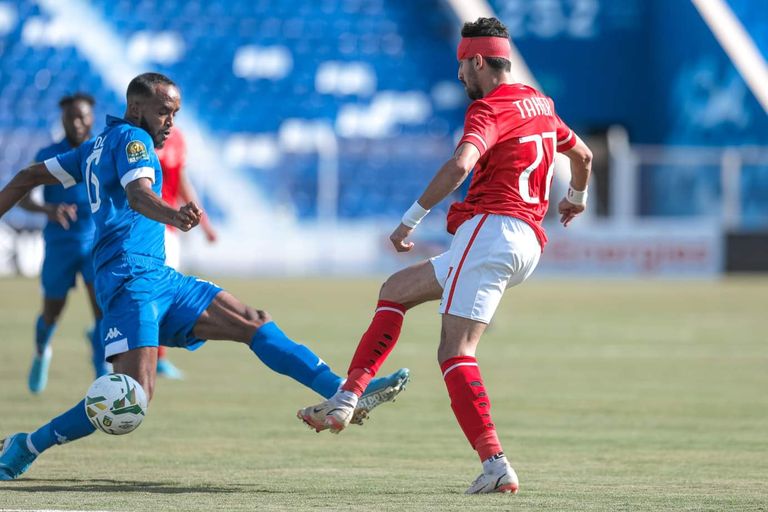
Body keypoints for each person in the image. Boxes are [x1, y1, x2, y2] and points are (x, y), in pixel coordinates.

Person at [0, 72, 409, 480]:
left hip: (158, 277)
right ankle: (28, 444)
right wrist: (174, 214)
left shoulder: (92, 147)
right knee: (131, 399)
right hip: (130, 283)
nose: (170, 122)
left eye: (175, 113)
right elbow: (139, 195)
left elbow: (27, 177)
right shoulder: (133, 140)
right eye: (163, 111)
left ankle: (343, 392)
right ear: (136, 108)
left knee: (253, 321)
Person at [298, 17, 592, 495]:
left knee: (455, 352)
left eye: (462, 66)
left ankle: (495, 464)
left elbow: (461, 164)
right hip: (523, 242)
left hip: (493, 229)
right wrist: (575, 199)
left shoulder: (490, 109)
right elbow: (584, 157)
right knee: (395, 290)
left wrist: (409, 219)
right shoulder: (542, 105)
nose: (460, 77)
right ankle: (349, 396)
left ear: (478, 60)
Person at [18, 92, 108, 393]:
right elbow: (25, 196)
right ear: (63, 120)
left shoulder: (103, 150)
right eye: (72, 117)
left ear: (92, 118)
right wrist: (49, 210)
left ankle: (101, 374)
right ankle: (42, 351)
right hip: (60, 244)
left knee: (103, 310)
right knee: (52, 311)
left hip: (96, 243)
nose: (78, 122)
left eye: (83, 116)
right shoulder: (48, 154)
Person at [153, 127, 218, 379]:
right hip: (140, 227)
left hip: (168, 229)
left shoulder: (178, 137)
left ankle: (158, 358)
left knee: (162, 296)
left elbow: (181, 182)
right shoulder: (138, 135)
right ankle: (109, 341)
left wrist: (206, 225)